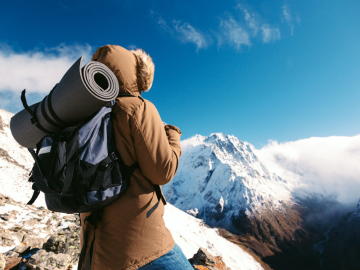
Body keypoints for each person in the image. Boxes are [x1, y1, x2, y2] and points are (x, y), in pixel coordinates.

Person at [79, 45, 193, 270]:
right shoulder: (138, 108)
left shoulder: (85, 113)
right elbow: (163, 171)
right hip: (141, 247)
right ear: (137, 75)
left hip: (95, 250)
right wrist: (172, 136)